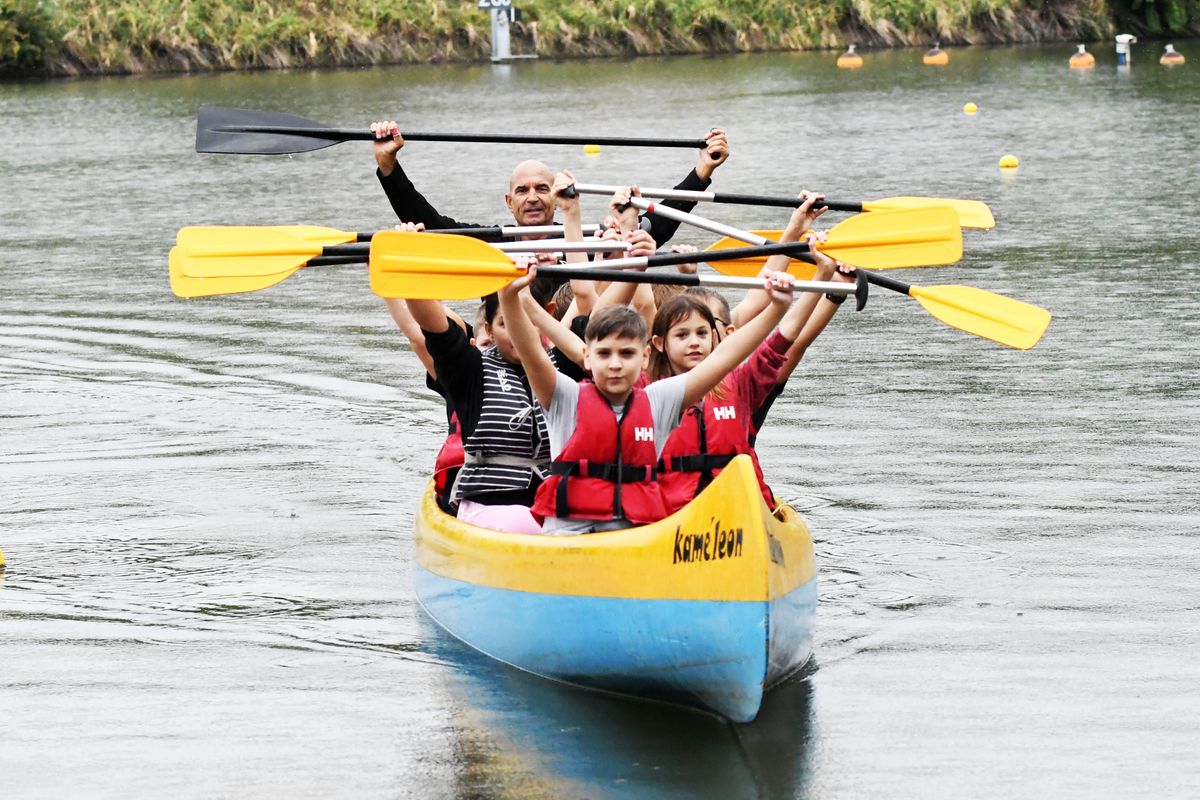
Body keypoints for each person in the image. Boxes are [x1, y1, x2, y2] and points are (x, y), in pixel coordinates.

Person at [498, 173, 798, 533]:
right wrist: (511, 296)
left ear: (643, 358)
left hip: (636, 536)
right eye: (605, 353)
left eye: (626, 354)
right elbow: (531, 350)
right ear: (586, 358)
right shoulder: (563, 396)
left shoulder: (659, 399)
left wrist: (777, 309)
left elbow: (726, 356)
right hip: (570, 535)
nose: (614, 364)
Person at [369, 120, 731, 247]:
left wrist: (701, 173)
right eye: (523, 191)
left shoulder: (585, 237)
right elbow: (430, 224)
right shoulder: (492, 242)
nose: (533, 198)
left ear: (557, 199)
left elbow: (659, 225)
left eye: (542, 189)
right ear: (508, 202)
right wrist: (389, 164)